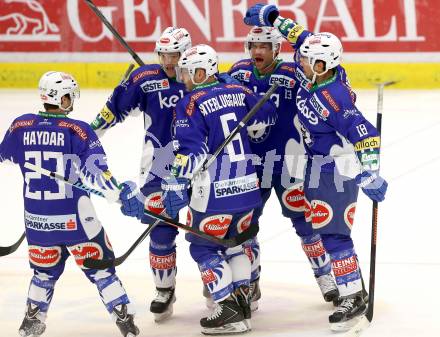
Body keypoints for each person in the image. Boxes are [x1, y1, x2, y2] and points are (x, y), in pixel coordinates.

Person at [243, 4, 388, 331]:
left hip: (335, 170)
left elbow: (365, 134)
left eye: (307, 60)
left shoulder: (333, 96)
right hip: (316, 166)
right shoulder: (318, 74)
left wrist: (371, 172)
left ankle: (352, 296)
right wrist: (274, 19)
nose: (300, 62)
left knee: (334, 235)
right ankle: (353, 291)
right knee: (326, 231)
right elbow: (302, 37)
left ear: (323, 64)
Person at [0, 71, 143, 337]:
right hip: (77, 222)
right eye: (68, 96)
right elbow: (97, 172)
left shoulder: (19, 126)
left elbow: (4, 157)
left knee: (43, 273)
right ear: (60, 97)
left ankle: (31, 322)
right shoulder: (78, 129)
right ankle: (125, 320)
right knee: (102, 271)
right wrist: (120, 193)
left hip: (38, 223)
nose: (71, 101)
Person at [161, 44, 277, 334]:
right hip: (248, 188)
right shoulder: (238, 91)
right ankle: (242, 303)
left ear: (202, 72)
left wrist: (175, 182)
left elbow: (191, 152)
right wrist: (237, 93)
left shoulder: (189, 103)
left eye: (188, 72)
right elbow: (267, 116)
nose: (183, 77)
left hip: (214, 194)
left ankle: (226, 308)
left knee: (204, 248)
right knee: (236, 244)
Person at [227, 25, 339, 311]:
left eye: (264, 46)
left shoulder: (293, 73)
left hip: (289, 162)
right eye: (253, 46)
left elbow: (324, 70)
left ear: (276, 49)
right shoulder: (238, 72)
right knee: (245, 226)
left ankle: (326, 276)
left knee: (305, 222)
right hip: (250, 165)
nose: (257, 52)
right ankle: (250, 283)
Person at [90, 26, 192, 322]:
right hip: (158, 164)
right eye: (163, 53)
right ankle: (164, 288)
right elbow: (113, 110)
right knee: (161, 229)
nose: (168, 60)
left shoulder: (198, 74)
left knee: (209, 228)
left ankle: (217, 288)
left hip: (200, 163)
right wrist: (87, 135)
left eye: (174, 53)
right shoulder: (145, 79)